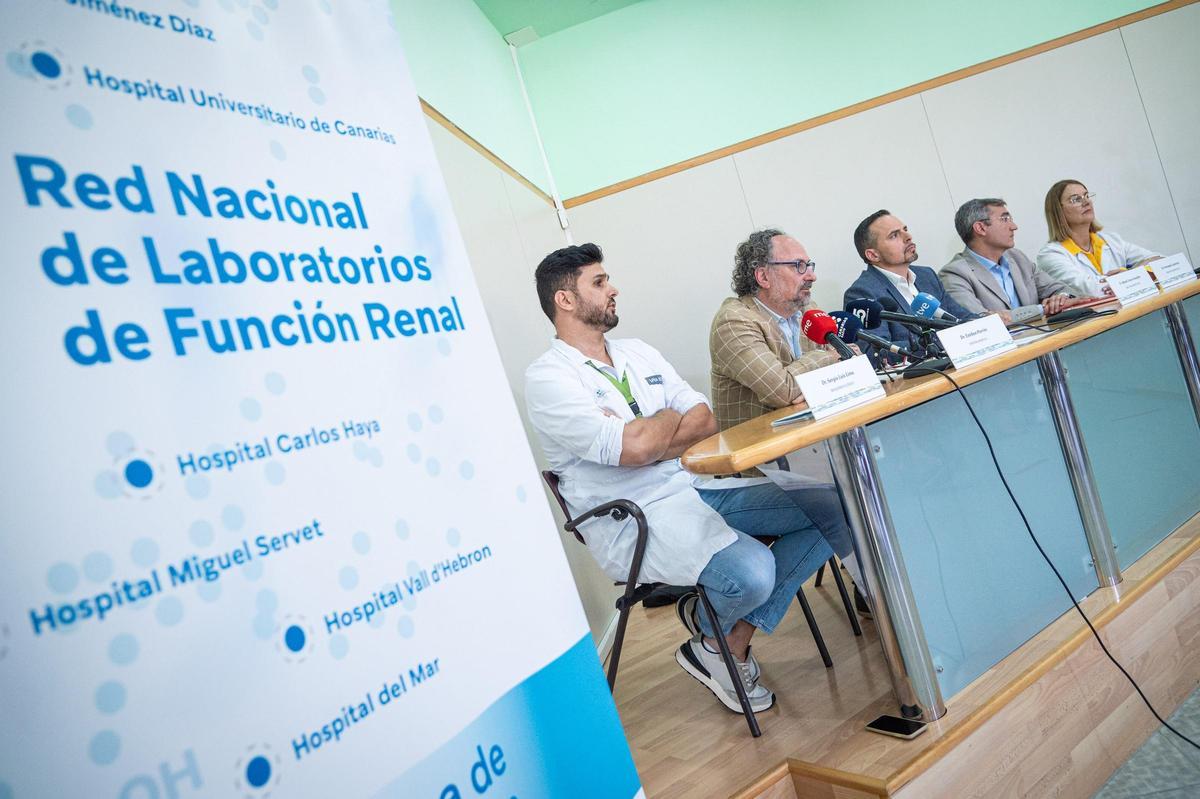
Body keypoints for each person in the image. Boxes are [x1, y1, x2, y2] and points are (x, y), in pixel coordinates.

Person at [525, 243, 835, 715]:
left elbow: (703, 421)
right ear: (565, 300)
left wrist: (648, 432)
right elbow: (636, 449)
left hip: (692, 485)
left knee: (835, 506)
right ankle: (719, 632)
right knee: (754, 573)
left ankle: (719, 641)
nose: (613, 289)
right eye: (600, 282)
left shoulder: (638, 352)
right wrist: (664, 423)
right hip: (633, 516)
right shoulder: (548, 378)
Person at [709, 229, 869, 614]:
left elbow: (840, 375)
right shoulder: (734, 321)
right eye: (798, 266)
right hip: (762, 467)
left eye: (809, 265)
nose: (810, 275)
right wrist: (828, 357)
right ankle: (874, 589)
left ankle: (877, 584)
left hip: (813, 449)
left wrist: (813, 373)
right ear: (762, 275)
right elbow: (783, 390)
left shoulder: (808, 315)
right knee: (849, 496)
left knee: (878, 471)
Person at [843, 210, 977, 360]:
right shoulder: (862, 293)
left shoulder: (927, 276)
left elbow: (961, 317)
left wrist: (987, 321)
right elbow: (876, 352)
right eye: (894, 235)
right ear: (873, 255)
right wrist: (938, 342)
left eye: (905, 229)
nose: (908, 237)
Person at [940, 198, 1077, 322]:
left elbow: (1064, 290)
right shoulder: (954, 274)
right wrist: (1042, 309)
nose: (1014, 226)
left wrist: (1061, 298)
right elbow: (980, 321)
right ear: (980, 228)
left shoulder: (1017, 258)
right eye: (1004, 219)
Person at [1036, 179, 1160, 298]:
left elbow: (1160, 261)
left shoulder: (1112, 241)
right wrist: (1138, 275)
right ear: (1058, 211)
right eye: (1076, 199)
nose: (1086, 202)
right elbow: (1092, 291)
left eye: (1086, 196)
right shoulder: (1050, 254)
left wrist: (1129, 273)